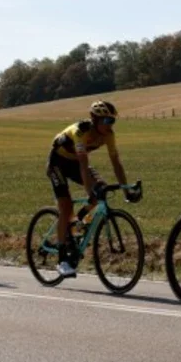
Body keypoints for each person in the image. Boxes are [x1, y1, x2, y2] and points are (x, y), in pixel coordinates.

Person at [46, 100, 134, 278]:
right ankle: (62, 259)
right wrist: (88, 191)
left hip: (76, 162)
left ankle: (77, 223)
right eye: (107, 121)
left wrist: (126, 190)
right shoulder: (81, 131)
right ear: (95, 119)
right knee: (66, 206)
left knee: (100, 190)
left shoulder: (109, 135)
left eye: (113, 121)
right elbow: (84, 164)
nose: (110, 126)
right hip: (59, 162)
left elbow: (116, 163)